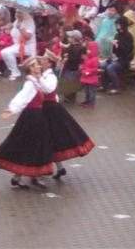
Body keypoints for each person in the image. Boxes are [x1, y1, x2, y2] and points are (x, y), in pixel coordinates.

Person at [0, 55, 53, 190]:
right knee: (30, 144)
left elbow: (49, 90)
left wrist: (40, 78)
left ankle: (30, 176)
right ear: (30, 69)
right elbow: (21, 98)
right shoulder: (30, 84)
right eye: (35, 66)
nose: (39, 67)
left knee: (35, 145)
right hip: (32, 117)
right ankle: (22, 177)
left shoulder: (36, 81)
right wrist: (11, 110)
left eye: (38, 65)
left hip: (37, 116)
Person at [39, 49, 93, 180]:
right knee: (51, 140)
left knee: (48, 139)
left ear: (50, 63)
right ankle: (60, 168)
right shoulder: (45, 75)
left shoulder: (50, 76)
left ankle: (43, 169)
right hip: (46, 110)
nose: (41, 61)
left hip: (49, 112)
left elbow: (49, 90)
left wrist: (37, 77)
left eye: (44, 60)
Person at [1, 9, 37, 81]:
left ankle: (16, 74)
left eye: (19, 12)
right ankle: (13, 70)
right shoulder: (17, 20)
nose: (17, 14)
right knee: (3, 52)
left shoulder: (29, 21)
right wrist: (8, 27)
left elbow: (28, 37)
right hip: (17, 44)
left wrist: (20, 28)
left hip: (28, 46)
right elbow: (13, 29)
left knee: (8, 52)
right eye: (16, 12)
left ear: (24, 13)